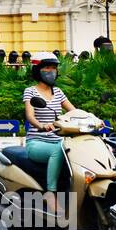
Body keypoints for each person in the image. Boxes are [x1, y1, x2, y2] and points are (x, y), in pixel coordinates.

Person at [22, 53, 75, 215]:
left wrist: (92, 119)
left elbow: (74, 111)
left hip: (59, 140)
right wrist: (41, 125)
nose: (51, 71)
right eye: (47, 68)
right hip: (37, 142)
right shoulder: (31, 91)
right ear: (38, 70)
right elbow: (30, 115)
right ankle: (50, 193)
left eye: (54, 68)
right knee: (58, 150)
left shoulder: (58, 92)